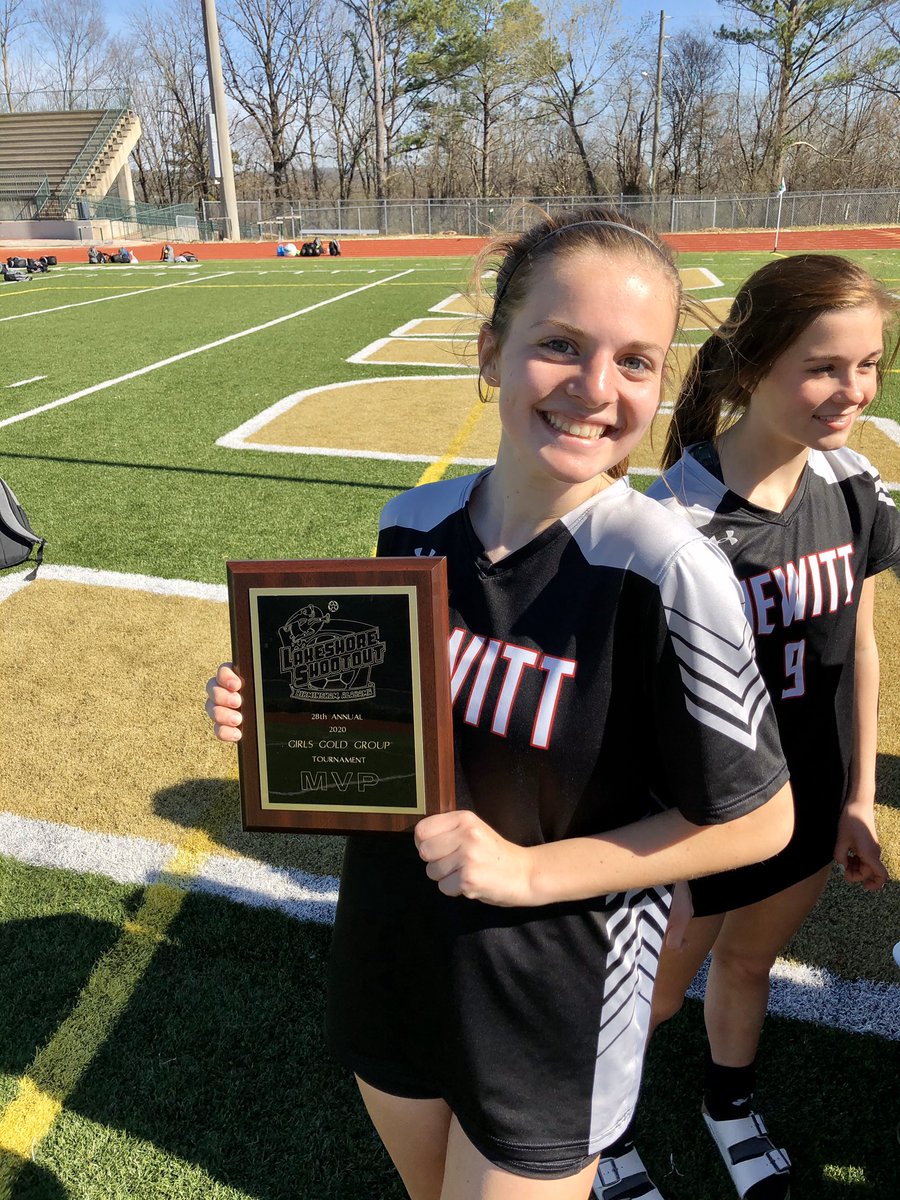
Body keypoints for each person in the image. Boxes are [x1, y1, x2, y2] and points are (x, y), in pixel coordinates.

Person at [206, 208, 794, 1200]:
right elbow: (393, 723)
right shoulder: (412, 523)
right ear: (490, 351)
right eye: (559, 345)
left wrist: (529, 872)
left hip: (552, 995)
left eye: (636, 362)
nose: (595, 389)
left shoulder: (666, 568)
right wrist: (275, 711)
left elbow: (760, 819)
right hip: (392, 952)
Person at [595, 254, 900, 1200]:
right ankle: (598, 1138)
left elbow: (861, 642)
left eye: (871, 366)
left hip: (808, 810)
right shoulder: (674, 523)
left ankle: (727, 1105)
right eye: (823, 367)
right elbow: (638, 717)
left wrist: (856, 797)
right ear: (749, 367)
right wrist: (669, 860)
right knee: (652, 996)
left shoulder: (854, 485)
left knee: (752, 965)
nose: (851, 391)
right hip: (706, 824)